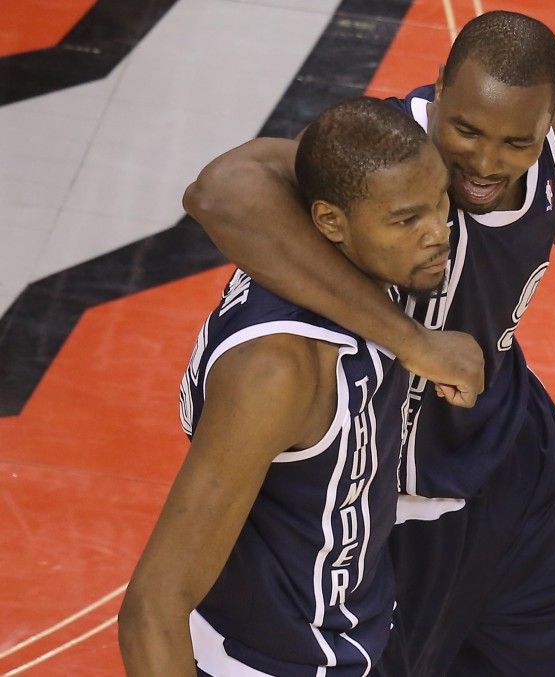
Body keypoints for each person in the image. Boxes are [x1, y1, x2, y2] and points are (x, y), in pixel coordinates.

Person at [184, 11, 555, 675]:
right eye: (464, 130)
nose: (484, 162)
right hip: (400, 502)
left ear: (549, 120)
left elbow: (547, 193)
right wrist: (413, 340)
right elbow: (220, 191)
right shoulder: (393, 166)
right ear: (438, 100)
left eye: (516, 140)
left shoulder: (538, 144)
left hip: (514, 450)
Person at [117, 97, 481, 676]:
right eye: (407, 218)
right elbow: (151, 609)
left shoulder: (330, 247)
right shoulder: (278, 370)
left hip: (347, 629)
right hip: (274, 658)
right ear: (330, 221)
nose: (438, 232)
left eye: (440, 201)